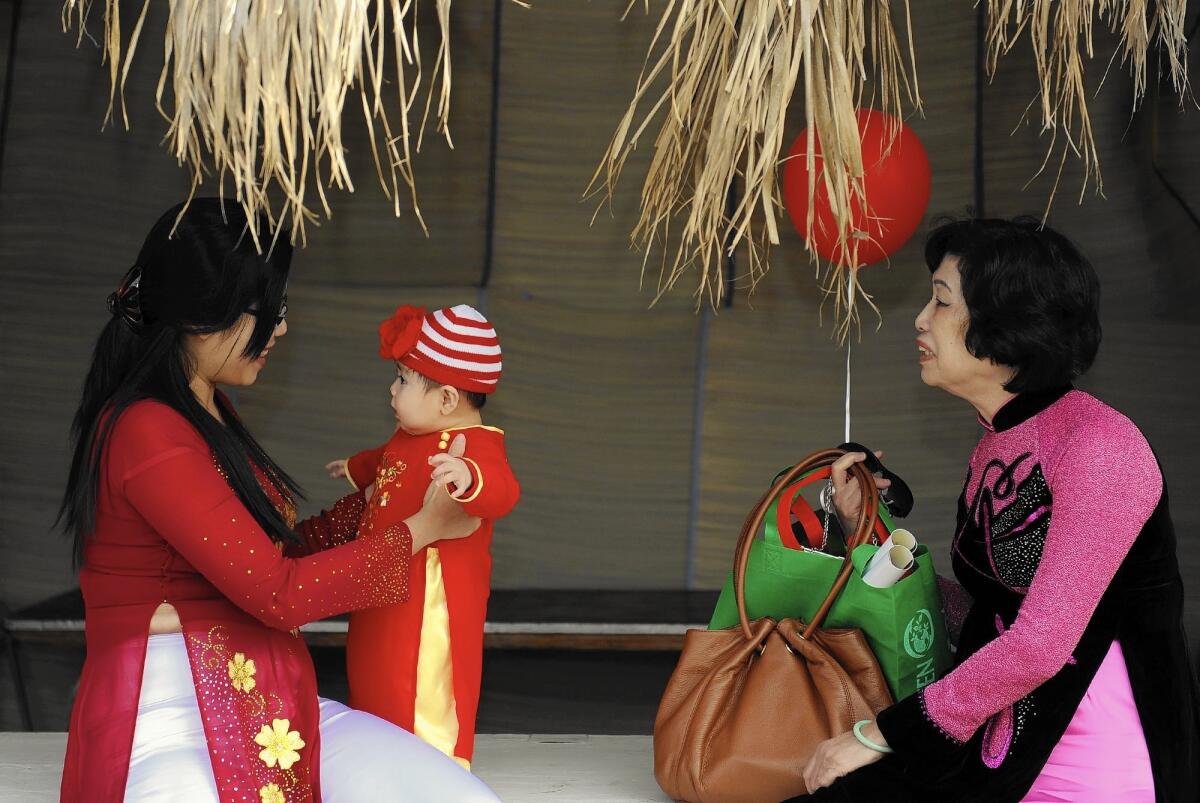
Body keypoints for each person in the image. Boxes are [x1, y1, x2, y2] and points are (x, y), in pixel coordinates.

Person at [57, 198, 500, 802]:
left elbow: (279, 551)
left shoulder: (205, 406)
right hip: (168, 708)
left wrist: (382, 503)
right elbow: (277, 592)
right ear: (204, 317)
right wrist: (420, 529)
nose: (282, 328)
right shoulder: (147, 430)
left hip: (268, 695)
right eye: (267, 311)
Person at [795, 217, 1200, 802]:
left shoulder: (1097, 445)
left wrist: (881, 734)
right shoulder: (1000, 439)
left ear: (1008, 321)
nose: (920, 320)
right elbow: (989, 613)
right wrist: (869, 539)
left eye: (939, 301)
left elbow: (1040, 641)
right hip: (1000, 736)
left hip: (1088, 756)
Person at [324, 304, 519, 769]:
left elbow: (503, 489)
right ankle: (377, 756)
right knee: (374, 669)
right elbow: (384, 460)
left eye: (404, 380)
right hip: (384, 577)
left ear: (447, 399)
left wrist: (468, 478)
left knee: (420, 679)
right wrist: (354, 468)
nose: (392, 389)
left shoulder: (476, 445)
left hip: (428, 594)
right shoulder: (410, 434)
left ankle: (432, 770)